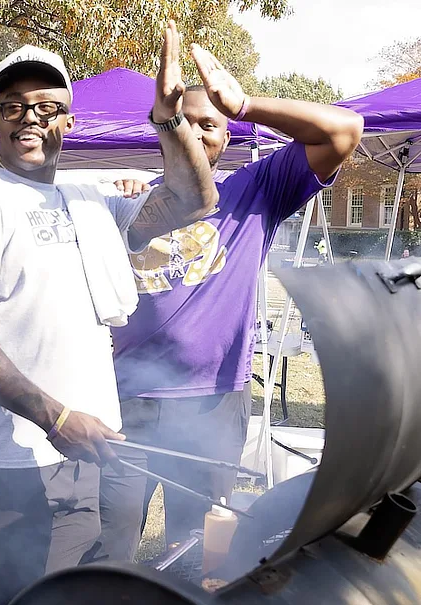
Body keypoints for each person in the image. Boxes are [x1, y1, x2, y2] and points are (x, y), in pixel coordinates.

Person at [0, 23, 218, 604]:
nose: (30, 117)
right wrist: (54, 416)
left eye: (46, 106)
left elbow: (194, 199)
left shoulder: (89, 200)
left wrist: (170, 121)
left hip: (82, 453)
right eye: (13, 106)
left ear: (67, 121)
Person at [104, 44, 363, 553]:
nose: (198, 133)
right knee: (109, 543)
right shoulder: (128, 200)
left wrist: (245, 105)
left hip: (213, 404)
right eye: (184, 120)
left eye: (212, 124)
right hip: (124, 402)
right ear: (161, 126)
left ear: (227, 137)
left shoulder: (256, 191)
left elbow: (344, 130)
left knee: (199, 550)